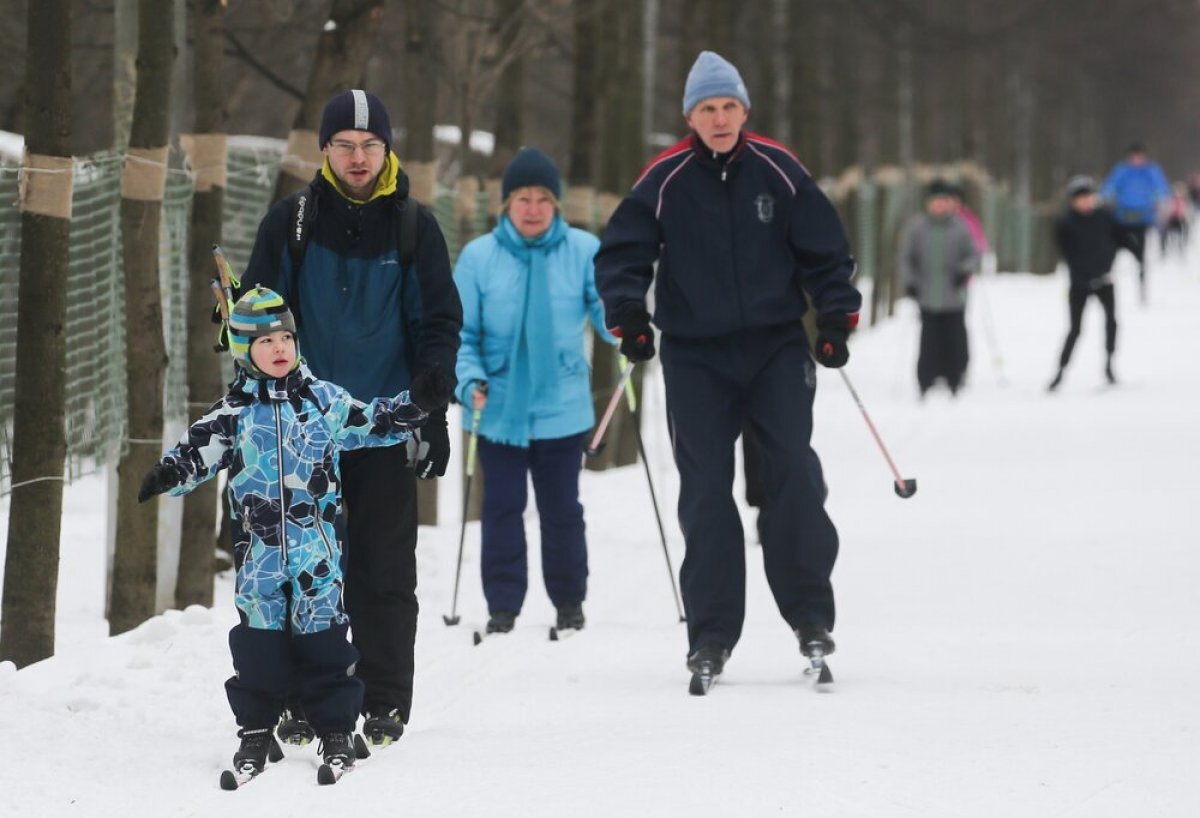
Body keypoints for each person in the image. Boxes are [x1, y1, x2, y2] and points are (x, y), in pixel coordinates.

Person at [594, 51, 862, 690]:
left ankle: (810, 616)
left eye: (729, 107)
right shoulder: (665, 177)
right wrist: (629, 314)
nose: (719, 119)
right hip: (696, 355)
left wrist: (835, 317)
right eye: (707, 109)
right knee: (706, 487)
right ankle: (711, 633)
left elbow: (826, 250)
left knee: (791, 471)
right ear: (690, 116)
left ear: (745, 111)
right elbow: (623, 253)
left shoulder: (779, 169)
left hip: (774, 348)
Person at [242, 89, 463, 745]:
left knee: (382, 571)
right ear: (325, 150)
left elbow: (439, 325)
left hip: (382, 430)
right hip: (299, 435)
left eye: (370, 146)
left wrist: (431, 410)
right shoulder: (290, 223)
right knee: (300, 572)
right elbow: (260, 317)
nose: (358, 157)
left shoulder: (414, 228)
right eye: (345, 145)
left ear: (387, 151)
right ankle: (303, 699)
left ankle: (385, 699)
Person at [136, 287, 427, 778]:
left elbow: (371, 422)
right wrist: (170, 472)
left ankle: (336, 728)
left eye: (286, 338)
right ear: (244, 351)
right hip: (259, 559)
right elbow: (197, 451)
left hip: (318, 556)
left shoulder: (323, 402)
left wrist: (415, 405)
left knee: (327, 642)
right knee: (259, 647)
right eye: (266, 341)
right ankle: (254, 730)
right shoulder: (233, 415)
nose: (279, 349)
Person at [453, 147, 616, 636]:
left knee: (562, 509)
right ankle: (503, 605)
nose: (532, 208)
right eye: (522, 198)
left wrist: (627, 322)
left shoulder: (584, 250)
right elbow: (461, 334)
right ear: (505, 204)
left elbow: (605, 312)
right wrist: (469, 380)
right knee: (500, 508)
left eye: (543, 198)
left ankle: (569, 601)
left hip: (562, 406)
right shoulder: (479, 257)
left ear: (557, 205)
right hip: (497, 406)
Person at [1048, 176, 1138, 391]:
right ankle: (1060, 371)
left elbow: (1122, 237)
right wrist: (1082, 276)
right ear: (1073, 201)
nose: (1085, 202)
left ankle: (1109, 364)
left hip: (1105, 280)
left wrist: (1136, 251)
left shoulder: (1104, 217)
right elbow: (1068, 254)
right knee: (1075, 329)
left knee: (1111, 322)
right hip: (1079, 282)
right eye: (1080, 198)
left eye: (1088, 197)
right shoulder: (1066, 224)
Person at [899, 179, 981, 398]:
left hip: (954, 295)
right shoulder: (917, 227)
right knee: (929, 339)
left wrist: (964, 271)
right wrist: (910, 281)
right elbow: (906, 258)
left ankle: (955, 377)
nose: (940, 206)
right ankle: (926, 379)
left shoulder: (960, 227)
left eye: (944, 201)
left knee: (954, 337)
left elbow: (974, 255)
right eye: (936, 202)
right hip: (927, 294)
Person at [1099, 142, 1170, 302]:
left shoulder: (1151, 171)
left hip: (1142, 219)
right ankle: (1104, 282)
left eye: (1140, 157)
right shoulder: (1122, 170)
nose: (1136, 160)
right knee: (1111, 251)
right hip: (1121, 219)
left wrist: (1161, 202)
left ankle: (1142, 288)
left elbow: (1162, 189)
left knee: (1141, 255)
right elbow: (1109, 187)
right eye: (1133, 157)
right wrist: (1106, 198)